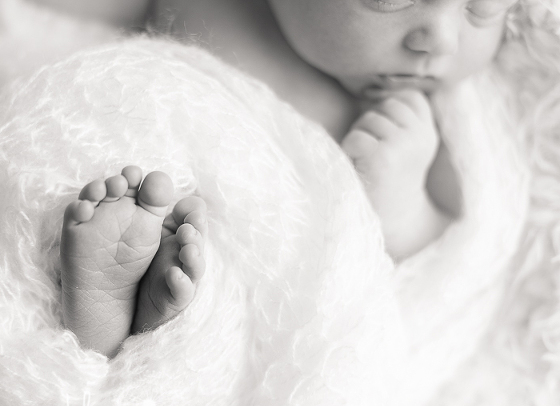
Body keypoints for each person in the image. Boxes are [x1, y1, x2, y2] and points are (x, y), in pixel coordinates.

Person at [57, 0, 516, 356]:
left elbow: (454, 255)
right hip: (156, 179)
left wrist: (403, 206)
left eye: (483, 8)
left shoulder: (417, 119)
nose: (442, 40)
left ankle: (120, 322)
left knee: (224, 317)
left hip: (288, 305)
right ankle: (106, 318)